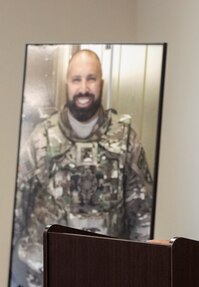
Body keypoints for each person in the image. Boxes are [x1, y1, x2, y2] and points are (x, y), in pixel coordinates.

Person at [11, 49, 154, 287]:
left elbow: (143, 217)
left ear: (102, 83)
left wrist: (141, 270)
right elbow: (16, 210)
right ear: (66, 83)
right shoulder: (40, 139)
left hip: (106, 273)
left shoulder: (127, 140)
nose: (84, 88)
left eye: (91, 78)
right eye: (76, 79)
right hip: (43, 275)